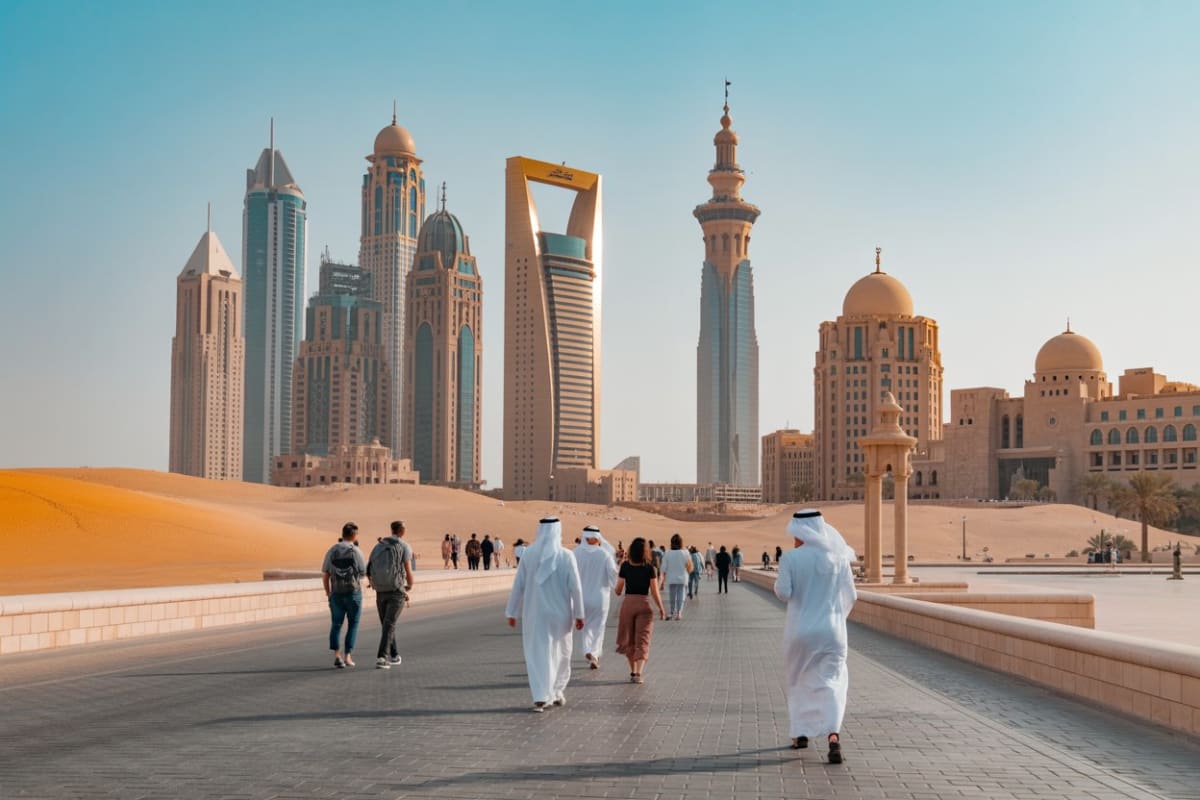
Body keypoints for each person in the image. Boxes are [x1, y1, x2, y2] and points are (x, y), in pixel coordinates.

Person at [774, 509, 857, 763]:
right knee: (832, 682)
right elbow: (851, 596)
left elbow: (783, 593)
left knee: (799, 680)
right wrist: (835, 616)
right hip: (832, 633)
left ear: (800, 532)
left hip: (801, 632)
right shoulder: (839, 558)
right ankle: (833, 736)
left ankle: (800, 734)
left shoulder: (790, 559)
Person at [505, 518, 585, 712]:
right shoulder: (566, 555)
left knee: (538, 653)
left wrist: (512, 611)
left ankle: (542, 695)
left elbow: (519, 585)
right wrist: (580, 614)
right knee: (561, 652)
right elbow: (575, 587)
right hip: (560, 615)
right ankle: (554, 691)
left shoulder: (528, 554)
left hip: (535, 614)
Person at [614, 537, 666, 683]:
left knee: (629, 640)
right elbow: (655, 592)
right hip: (644, 605)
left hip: (628, 604)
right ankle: (638, 673)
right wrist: (661, 609)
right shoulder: (651, 568)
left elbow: (618, 590)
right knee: (643, 640)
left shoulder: (625, 566)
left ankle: (632, 671)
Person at [366, 520, 413, 669]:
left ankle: (395, 655)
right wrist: (409, 586)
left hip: (380, 591)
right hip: (396, 591)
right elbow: (408, 570)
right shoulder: (404, 546)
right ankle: (382, 657)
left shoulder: (378, 546)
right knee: (389, 624)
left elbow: (369, 568)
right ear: (402, 531)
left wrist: (374, 583)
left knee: (387, 624)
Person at [322, 522, 367, 668]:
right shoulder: (356, 551)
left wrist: (328, 592)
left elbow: (326, 574)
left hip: (336, 593)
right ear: (354, 535)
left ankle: (337, 656)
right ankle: (348, 656)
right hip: (353, 594)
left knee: (336, 624)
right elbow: (362, 573)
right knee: (353, 624)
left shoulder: (332, 550)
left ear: (342, 534)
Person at [575, 525, 618, 669]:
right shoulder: (604, 554)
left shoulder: (575, 553)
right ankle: (594, 653)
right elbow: (613, 575)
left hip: (581, 598)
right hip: (600, 598)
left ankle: (588, 650)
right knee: (599, 627)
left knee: (585, 627)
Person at [661, 533, 694, 620]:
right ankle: (679, 613)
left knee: (672, 595)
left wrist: (662, 578)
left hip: (671, 578)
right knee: (681, 595)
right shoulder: (685, 552)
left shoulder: (667, 553)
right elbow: (690, 566)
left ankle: (671, 612)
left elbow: (663, 567)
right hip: (683, 578)